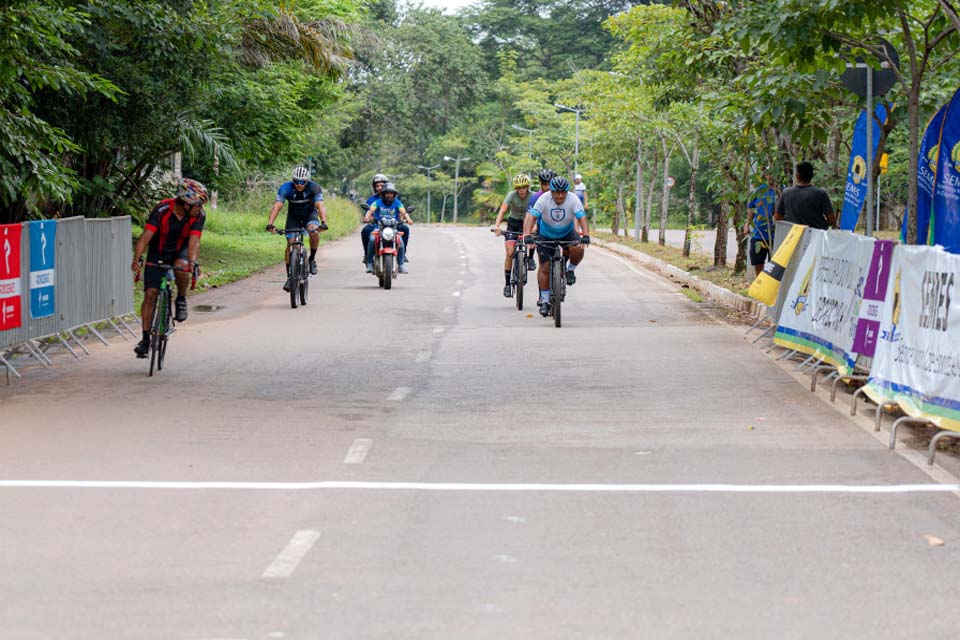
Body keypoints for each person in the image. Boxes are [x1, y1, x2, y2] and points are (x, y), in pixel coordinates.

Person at [131, 178, 209, 358]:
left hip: (180, 249)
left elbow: (194, 241)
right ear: (186, 202)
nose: (200, 209)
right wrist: (137, 259)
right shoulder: (162, 209)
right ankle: (145, 340)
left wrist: (192, 262)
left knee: (182, 266)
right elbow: (145, 237)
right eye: (197, 204)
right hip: (158, 250)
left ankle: (181, 298)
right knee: (150, 293)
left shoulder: (199, 216)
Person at [523, 175, 590, 317]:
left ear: (567, 191)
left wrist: (586, 236)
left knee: (578, 248)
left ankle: (570, 270)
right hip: (546, 234)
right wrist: (527, 235)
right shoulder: (543, 199)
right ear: (551, 192)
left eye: (563, 192)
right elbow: (532, 217)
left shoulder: (573, 198)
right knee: (545, 267)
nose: (560, 196)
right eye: (556, 192)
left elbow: (582, 218)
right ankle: (545, 299)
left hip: (567, 232)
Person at [266, 166, 329, 292]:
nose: (299, 185)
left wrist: (323, 222)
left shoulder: (314, 187)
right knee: (290, 244)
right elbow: (277, 206)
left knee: (314, 231)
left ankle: (311, 260)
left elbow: (320, 205)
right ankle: (290, 276)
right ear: (292, 180)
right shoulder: (286, 188)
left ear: (307, 181)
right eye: (296, 181)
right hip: (293, 217)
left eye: (302, 182)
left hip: (309, 215)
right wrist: (270, 223)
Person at [492, 174, 533, 297]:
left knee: (533, 237)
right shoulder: (511, 195)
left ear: (528, 187)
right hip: (513, 223)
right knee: (510, 252)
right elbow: (503, 210)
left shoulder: (533, 196)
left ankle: (530, 258)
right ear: (516, 188)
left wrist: (536, 227)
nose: (521, 190)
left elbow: (538, 212)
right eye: (519, 187)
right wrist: (497, 226)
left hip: (527, 222)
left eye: (524, 187)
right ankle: (507, 284)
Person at [364, 183, 414, 274]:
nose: (389, 195)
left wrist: (409, 219)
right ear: (383, 194)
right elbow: (370, 210)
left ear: (394, 195)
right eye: (387, 193)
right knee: (371, 240)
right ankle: (370, 263)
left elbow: (403, 212)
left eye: (391, 193)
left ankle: (401, 264)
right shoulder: (377, 202)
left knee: (401, 242)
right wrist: (367, 217)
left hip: (393, 228)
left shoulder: (397, 203)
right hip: (378, 228)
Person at [774, 162, 835, 230]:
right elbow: (831, 220)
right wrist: (818, 223)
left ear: (797, 176)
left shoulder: (786, 193)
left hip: (793, 236)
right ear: (812, 175)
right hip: (815, 236)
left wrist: (791, 221)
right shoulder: (821, 194)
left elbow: (777, 217)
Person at [746, 178, 777, 276]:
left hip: (775, 235)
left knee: (775, 265)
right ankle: (760, 284)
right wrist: (747, 224)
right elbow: (751, 209)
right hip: (759, 233)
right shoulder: (759, 191)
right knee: (758, 262)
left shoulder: (781, 192)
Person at [361, 174, 388, 260]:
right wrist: (368, 218)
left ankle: (402, 255)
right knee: (365, 231)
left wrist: (403, 217)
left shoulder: (392, 197)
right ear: (374, 187)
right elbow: (367, 213)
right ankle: (367, 255)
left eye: (382, 185)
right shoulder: (372, 199)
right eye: (377, 186)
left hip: (392, 224)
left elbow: (399, 210)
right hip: (376, 225)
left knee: (404, 228)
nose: (379, 188)